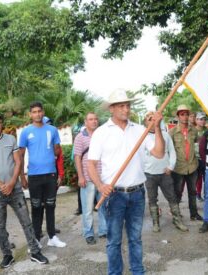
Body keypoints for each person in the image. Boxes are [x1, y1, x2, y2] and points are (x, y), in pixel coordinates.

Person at [88, 90, 165, 275]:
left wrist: (158, 127)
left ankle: (138, 271)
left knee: (135, 239)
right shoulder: (101, 132)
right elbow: (91, 164)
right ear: (112, 109)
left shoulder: (140, 130)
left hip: (138, 193)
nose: (126, 109)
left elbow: (159, 153)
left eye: (128, 105)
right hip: (113, 194)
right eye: (121, 106)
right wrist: (100, 186)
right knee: (114, 240)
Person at [0, 112, 48, 268]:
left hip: (15, 189)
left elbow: (18, 161)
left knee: (26, 221)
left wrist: (11, 183)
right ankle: (7, 255)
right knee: (0, 226)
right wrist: (0, 184)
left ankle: (35, 251)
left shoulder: (11, 139)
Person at [19, 102, 66, 248]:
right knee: (36, 207)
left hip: (50, 174)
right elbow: (20, 155)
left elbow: (58, 150)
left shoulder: (52, 130)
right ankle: (36, 239)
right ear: (30, 114)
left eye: (39, 111)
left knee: (51, 206)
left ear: (43, 112)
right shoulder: (26, 132)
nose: (37, 114)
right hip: (34, 176)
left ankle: (52, 236)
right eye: (34, 112)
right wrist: (22, 176)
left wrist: (52, 153)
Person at [143, 111, 188, 233]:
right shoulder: (142, 137)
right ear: (145, 122)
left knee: (172, 197)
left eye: (154, 118)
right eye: (149, 119)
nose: (152, 121)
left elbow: (172, 152)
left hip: (165, 173)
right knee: (152, 199)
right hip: (149, 174)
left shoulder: (165, 135)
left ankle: (177, 220)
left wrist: (171, 166)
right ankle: (155, 223)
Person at [74, 112, 107, 245]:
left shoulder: (103, 136)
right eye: (90, 119)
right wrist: (80, 176)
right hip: (87, 179)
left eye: (95, 119)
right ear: (85, 122)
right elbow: (77, 157)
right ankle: (88, 233)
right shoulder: (80, 137)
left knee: (103, 206)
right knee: (87, 209)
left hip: (102, 178)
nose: (94, 121)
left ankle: (103, 231)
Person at [169, 104, 203, 221]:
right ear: (178, 116)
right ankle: (176, 215)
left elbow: (196, 143)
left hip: (192, 166)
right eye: (182, 114)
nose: (184, 117)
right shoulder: (172, 132)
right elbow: (169, 150)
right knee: (177, 192)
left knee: (192, 192)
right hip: (178, 167)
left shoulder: (193, 130)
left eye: (186, 114)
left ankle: (194, 214)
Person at [195, 112, 207, 201]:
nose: (203, 121)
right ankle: (198, 194)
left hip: (206, 158)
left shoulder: (207, 131)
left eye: (204, 119)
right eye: (201, 119)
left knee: (207, 179)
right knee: (198, 178)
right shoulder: (192, 131)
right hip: (196, 158)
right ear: (196, 120)